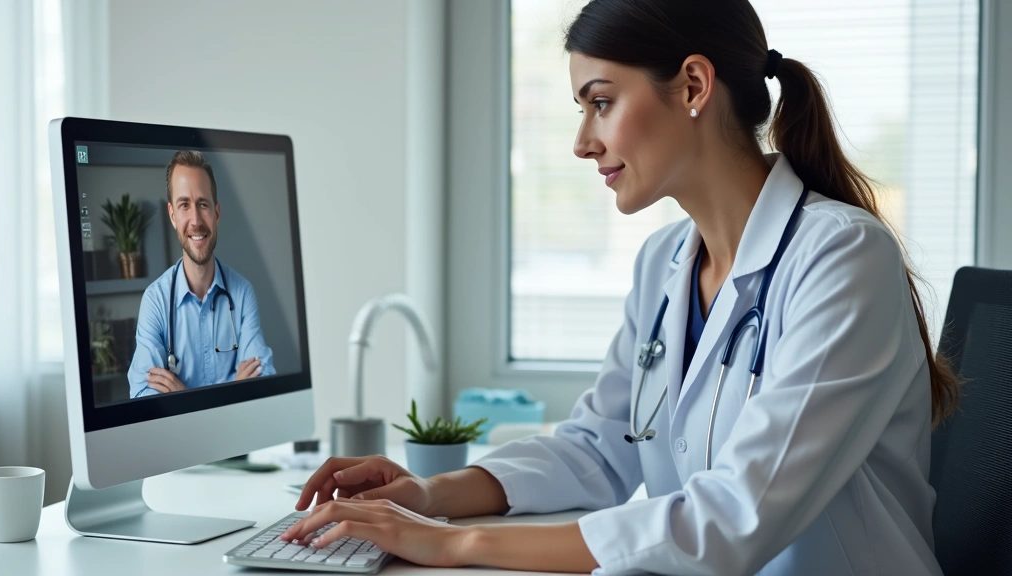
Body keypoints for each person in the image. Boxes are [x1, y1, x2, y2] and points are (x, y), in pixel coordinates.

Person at [280, 1, 959, 574]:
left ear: (694, 86)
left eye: (600, 103)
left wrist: (455, 542)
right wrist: (426, 495)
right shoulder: (665, 262)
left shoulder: (841, 257)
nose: (582, 141)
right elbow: (598, 448)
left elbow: (729, 521)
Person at [127, 150, 275, 398]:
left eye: (203, 204)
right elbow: (143, 395)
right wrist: (232, 392)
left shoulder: (242, 293)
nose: (196, 220)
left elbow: (263, 381)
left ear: (216, 213)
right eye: (184, 205)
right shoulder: (155, 301)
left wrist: (182, 395)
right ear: (173, 215)